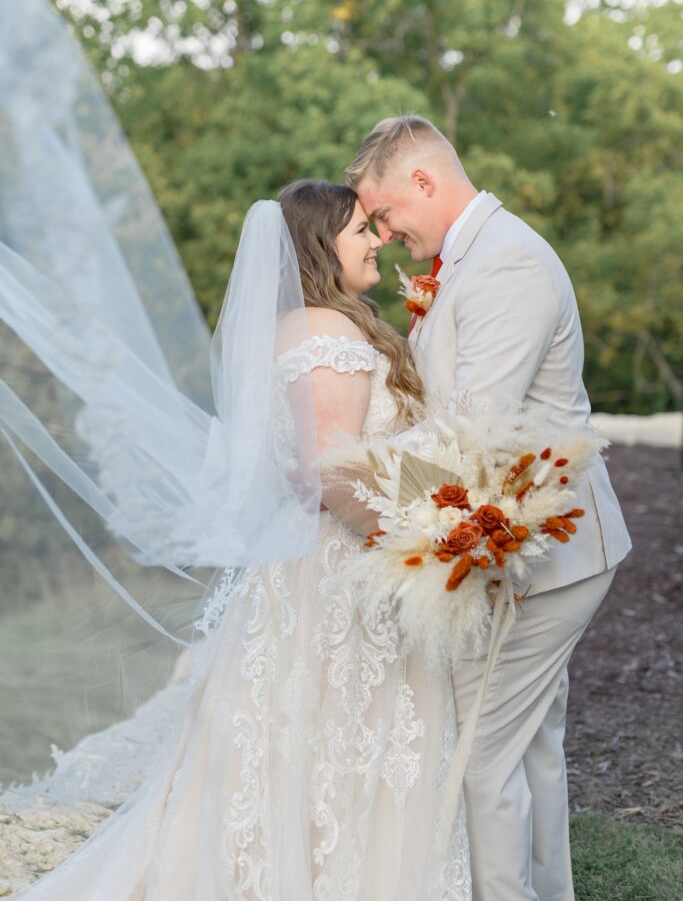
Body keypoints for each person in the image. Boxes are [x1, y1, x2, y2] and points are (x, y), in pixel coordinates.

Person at [5, 180, 472, 901]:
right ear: (320, 244)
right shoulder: (325, 333)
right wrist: (419, 542)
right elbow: (326, 470)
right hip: (345, 572)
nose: (376, 240)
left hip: (321, 565)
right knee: (338, 741)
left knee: (305, 743)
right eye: (358, 232)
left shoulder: (306, 326)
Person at [345, 115, 632, 901]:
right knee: (531, 745)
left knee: (480, 754)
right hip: (512, 548)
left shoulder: (506, 265)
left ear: (424, 184)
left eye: (384, 213)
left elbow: (474, 433)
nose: (383, 231)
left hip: (551, 553)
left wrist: (359, 497)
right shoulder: (464, 262)